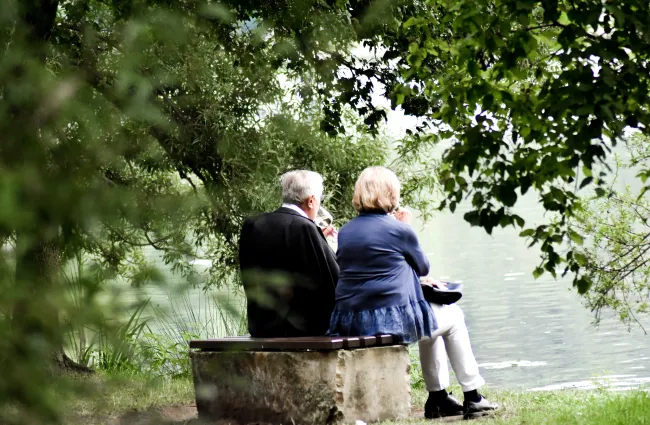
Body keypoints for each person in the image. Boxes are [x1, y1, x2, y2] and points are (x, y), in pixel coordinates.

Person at [328, 166, 498, 420]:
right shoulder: (399, 229)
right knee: (453, 316)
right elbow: (423, 266)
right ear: (390, 193)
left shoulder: (347, 231)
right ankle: (473, 395)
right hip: (387, 321)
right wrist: (407, 227)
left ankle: (438, 397)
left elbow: (378, 266)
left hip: (352, 319)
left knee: (433, 323)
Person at [238, 170, 339, 337]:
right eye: (321, 200)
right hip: (301, 329)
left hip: (260, 326)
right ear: (311, 201)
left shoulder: (252, 225)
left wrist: (320, 239)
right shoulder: (305, 228)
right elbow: (331, 281)